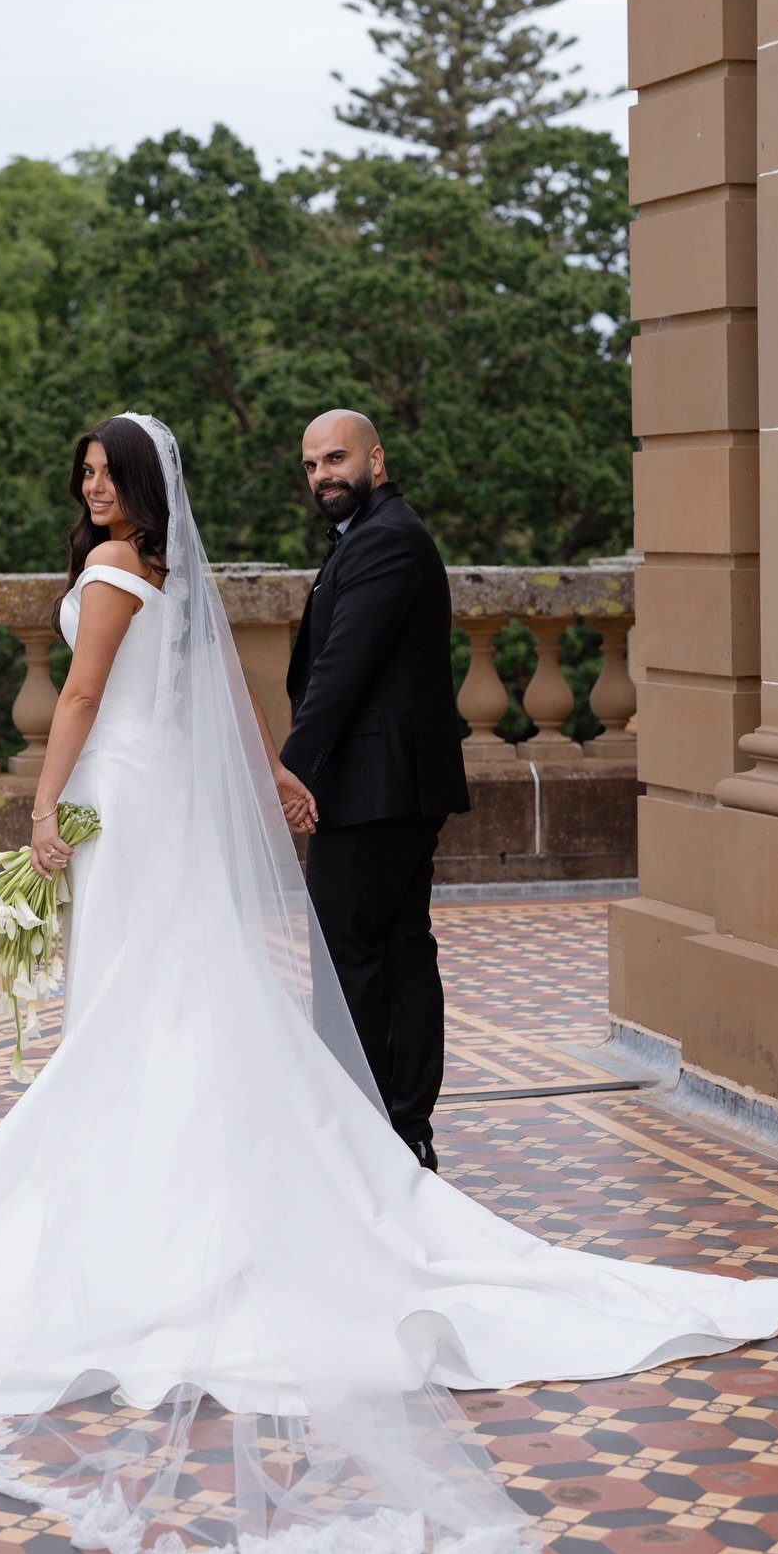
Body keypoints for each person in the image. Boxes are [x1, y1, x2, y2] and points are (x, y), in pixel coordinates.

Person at [0, 412, 778, 1554]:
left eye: (107, 476)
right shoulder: (176, 575)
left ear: (141, 492)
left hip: (123, 798)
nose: (92, 493)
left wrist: (42, 804)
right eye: (85, 477)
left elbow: (87, 697)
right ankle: (218, 1192)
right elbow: (234, 690)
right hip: (164, 807)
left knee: (145, 1002)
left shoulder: (115, 572)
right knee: (181, 994)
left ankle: (168, 1215)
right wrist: (273, 777)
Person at [280, 411, 466, 1173]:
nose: (324, 474)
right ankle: (401, 1127)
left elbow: (342, 670)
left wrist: (290, 767)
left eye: (337, 459)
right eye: (312, 465)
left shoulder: (387, 538)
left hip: (373, 789)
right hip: (386, 786)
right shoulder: (367, 535)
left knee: (355, 956)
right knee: (396, 948)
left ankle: (369, 1125)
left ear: (376, 461)